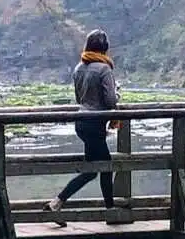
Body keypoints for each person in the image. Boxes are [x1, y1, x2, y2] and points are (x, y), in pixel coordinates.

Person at [45, 29, 128, 226]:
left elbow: (79, 98)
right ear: (105, 49)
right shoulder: (104, 69)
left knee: (94, 169)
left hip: (81, 121)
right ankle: (105, 211)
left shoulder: (79, 68)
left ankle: (59, 203)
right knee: (104, 166)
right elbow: (109, 101)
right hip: (94, 123)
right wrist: (117, 94)